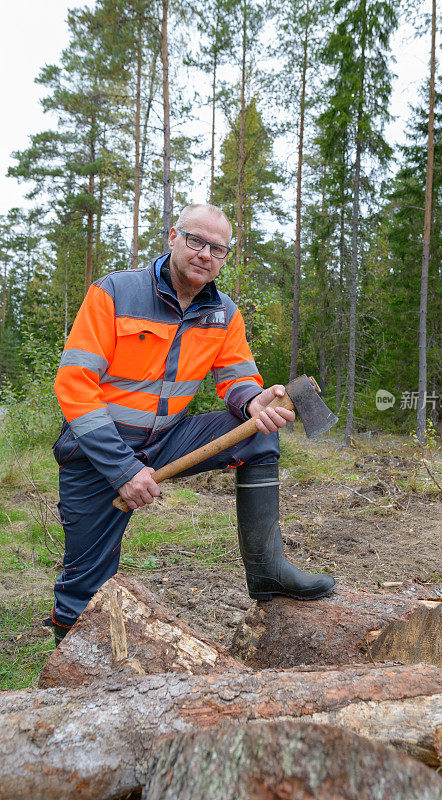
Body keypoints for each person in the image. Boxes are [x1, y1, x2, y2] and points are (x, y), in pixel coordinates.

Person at [47, 203, 335, 646]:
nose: (205, 254)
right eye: (195, 241)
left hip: (167, 439)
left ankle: (268, 572)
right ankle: (67, 659)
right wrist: (123, 470)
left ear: (224, 258)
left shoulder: (223, 312)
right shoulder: (114, 294)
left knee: (260, 438)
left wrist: (255, 401)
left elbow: (237, 378)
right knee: (88, 578)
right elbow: (74, 384)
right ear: (172, 237)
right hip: (96, 450)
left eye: (217, 249)